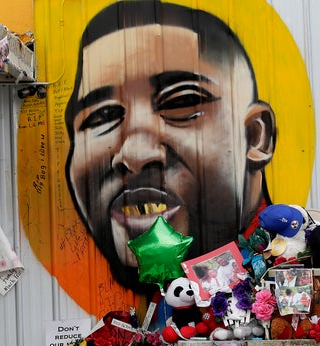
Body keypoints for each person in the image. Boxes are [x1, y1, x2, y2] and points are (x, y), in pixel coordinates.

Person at [64, 1, 276, 293]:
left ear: (254, 135)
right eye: (102, 116)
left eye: (181, 103)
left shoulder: (288, 262)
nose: (135, 154)